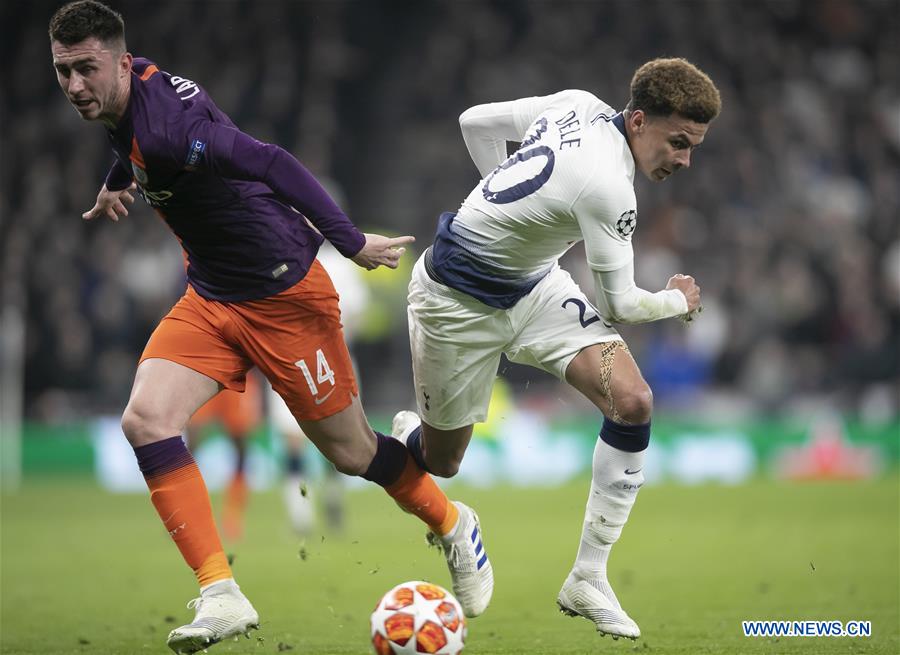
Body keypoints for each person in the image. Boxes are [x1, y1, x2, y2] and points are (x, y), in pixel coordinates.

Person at [48, 2, 492, 653]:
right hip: (211, 293)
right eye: (63, 72)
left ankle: (454, 524)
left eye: (86, 70)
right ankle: (221, 592)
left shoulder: (172, 128)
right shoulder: (128, 88)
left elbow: (273, 162)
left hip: (285, 294)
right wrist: (120, 180)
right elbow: (131, 140)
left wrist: (349, 241)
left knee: (352, 453)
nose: (74, 86)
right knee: (146, 420)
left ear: (118, 61)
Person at [394, 58, 721, 640]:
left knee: (633, 400)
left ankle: (588, 577)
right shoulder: (610, 188)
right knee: (441, 462)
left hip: (535, 285)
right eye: (677, 142)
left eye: (693, 147)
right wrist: (676, 301)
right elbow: (621, 305)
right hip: (455, 302)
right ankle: (415, 446)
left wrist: (506, 217)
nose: (684, 160)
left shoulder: (575, 102)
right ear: (639, 120)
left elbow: (475, 123)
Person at [186, 371, 265, 541]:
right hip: (206, 372)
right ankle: (183, 514)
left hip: (238, 376)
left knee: (242, 451)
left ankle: (232, 517)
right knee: (189, 448)